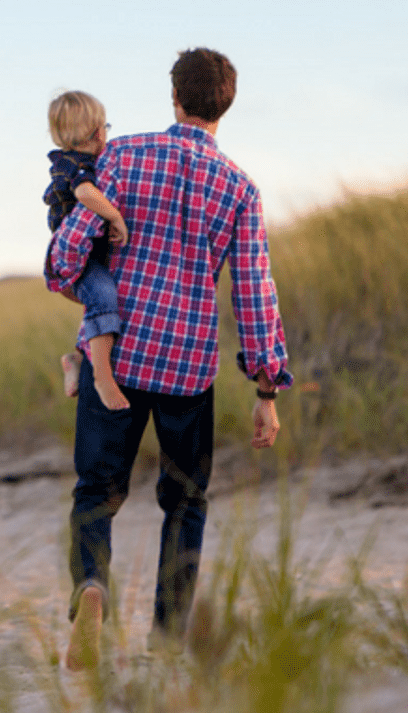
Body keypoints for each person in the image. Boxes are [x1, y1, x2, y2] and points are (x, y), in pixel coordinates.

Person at [46, 48, 292, 670]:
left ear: (175, 98)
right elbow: (255, 291)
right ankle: (168, 639)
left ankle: (92, 589)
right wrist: (266, 392)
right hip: (188, 369)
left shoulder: (123, 155)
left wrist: (69, 277)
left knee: (95, 494)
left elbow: (68, 251)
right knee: (185, 502)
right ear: (225, 105)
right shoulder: (240, 188)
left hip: (119, 359)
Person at [43, 91, 131, 411]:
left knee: (101, 302)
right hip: (76, 259)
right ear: (97, 131)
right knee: (104, 296)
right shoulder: (73, 165)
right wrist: (114, 215)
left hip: (90, 255)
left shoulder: (86, 161)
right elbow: (84, 192)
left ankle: (77, 358)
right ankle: (102, 378)